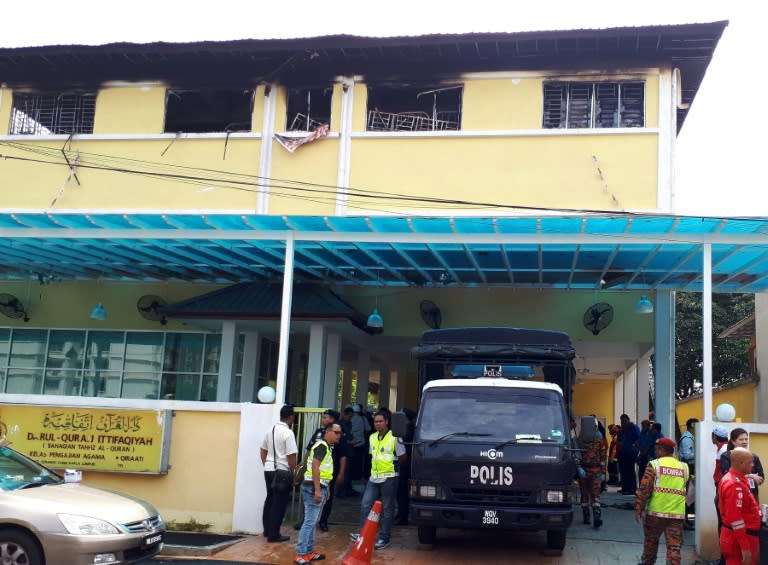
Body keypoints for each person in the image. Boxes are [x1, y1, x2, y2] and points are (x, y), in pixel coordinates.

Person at [350, 410, 406, 550]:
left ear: (387, 422)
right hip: (374, 478)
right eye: (375, 421)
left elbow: (403, 457)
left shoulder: (395, 437)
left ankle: (384, 538)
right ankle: (362, 534)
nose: (378, 424)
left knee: (387, 509)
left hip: (389, 477)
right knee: (365, 505)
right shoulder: (372, 437)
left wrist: (393, 467)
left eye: (380, 421)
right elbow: (373, 456)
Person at [634, 437, 689, 565]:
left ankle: (647, 563)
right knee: (674, 546)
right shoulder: (684, 467)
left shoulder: (654, 465)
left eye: (656, 449)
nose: (655, 452)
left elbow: (644, 489)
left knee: (651, 542)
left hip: (655, 514)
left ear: (661, 450)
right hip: (676, 515)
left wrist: (638, 507)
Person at [294, 422, 342, 565]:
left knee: (313, 521)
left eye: (340, 433)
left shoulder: (326, 447)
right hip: (312, 487)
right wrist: (317, 490)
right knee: (309, 522)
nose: (339, 435)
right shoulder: (321, 446)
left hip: (319, 486)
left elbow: (322, 470)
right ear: (328, 432)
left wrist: (325, 487)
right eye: (336, 432)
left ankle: (308, 551)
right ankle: (301, 554)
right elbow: (315, 466)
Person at [260, 404, 298, 544]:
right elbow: (291, 457)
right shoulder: (288, 433)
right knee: (279, 504)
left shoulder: (270, 430)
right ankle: (274, 535)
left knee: (269, 500)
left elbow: (262, 450)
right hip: (282, 471)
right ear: (290, 417)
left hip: (269, 470)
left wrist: (267, 464)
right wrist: (294, 474)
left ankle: (267, 531)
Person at [718, 447, 761, 565]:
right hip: (739, 540)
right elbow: (735, 519)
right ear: (740, 463)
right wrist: (745, 547)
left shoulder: (737, 479)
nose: (753, 465)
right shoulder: (734, 484)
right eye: (750, 462)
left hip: (738, 537)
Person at [719, 427, 765, 502]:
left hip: (752, 494)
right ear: (733, 442)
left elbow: (761, 478)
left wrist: (755, 479)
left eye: (746, 439)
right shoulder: (726, 456)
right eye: (741, 439)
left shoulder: (754, 457)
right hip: (733, 494)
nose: (744, 442)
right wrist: (751, 476)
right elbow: (727, 475)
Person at [577, 416, 607, 528]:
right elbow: (576, 455)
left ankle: (597, 517)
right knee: (584, 494)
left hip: (596, 470)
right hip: (584, 470)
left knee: (595, 494)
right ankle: (586, 515)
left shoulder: (599, 439)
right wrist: (578, 467)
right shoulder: (579, 440)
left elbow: (603, 456)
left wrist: (603, 472)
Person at [394, 408, 416, 526]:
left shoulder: (406, 431)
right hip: (408, 464)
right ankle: (402, 515)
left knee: (402, 492)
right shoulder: (412, 429)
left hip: (405, 464)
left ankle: (402, 517)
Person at [679, 417, 698, 531]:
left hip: (690, 467)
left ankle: (688, 521)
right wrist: (699, 452)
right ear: (692, 426)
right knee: (689, 495)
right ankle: (685, 521)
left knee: (691, 495)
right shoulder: (687, 438)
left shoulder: (691, 437)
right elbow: (687, 455)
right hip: (688, 467)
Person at [617, 413, 641, 494]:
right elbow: (621, 440)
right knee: (624, 471)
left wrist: (634, 447)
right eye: (621, 421)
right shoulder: (623, 430)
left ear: (627, 420)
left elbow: (639, 438)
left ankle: (632, 489)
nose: (622, 423)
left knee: (630, 471)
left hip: (631, 453)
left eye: (624, 421)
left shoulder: (633, 427)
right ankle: (625, 487)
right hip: (623, 453)